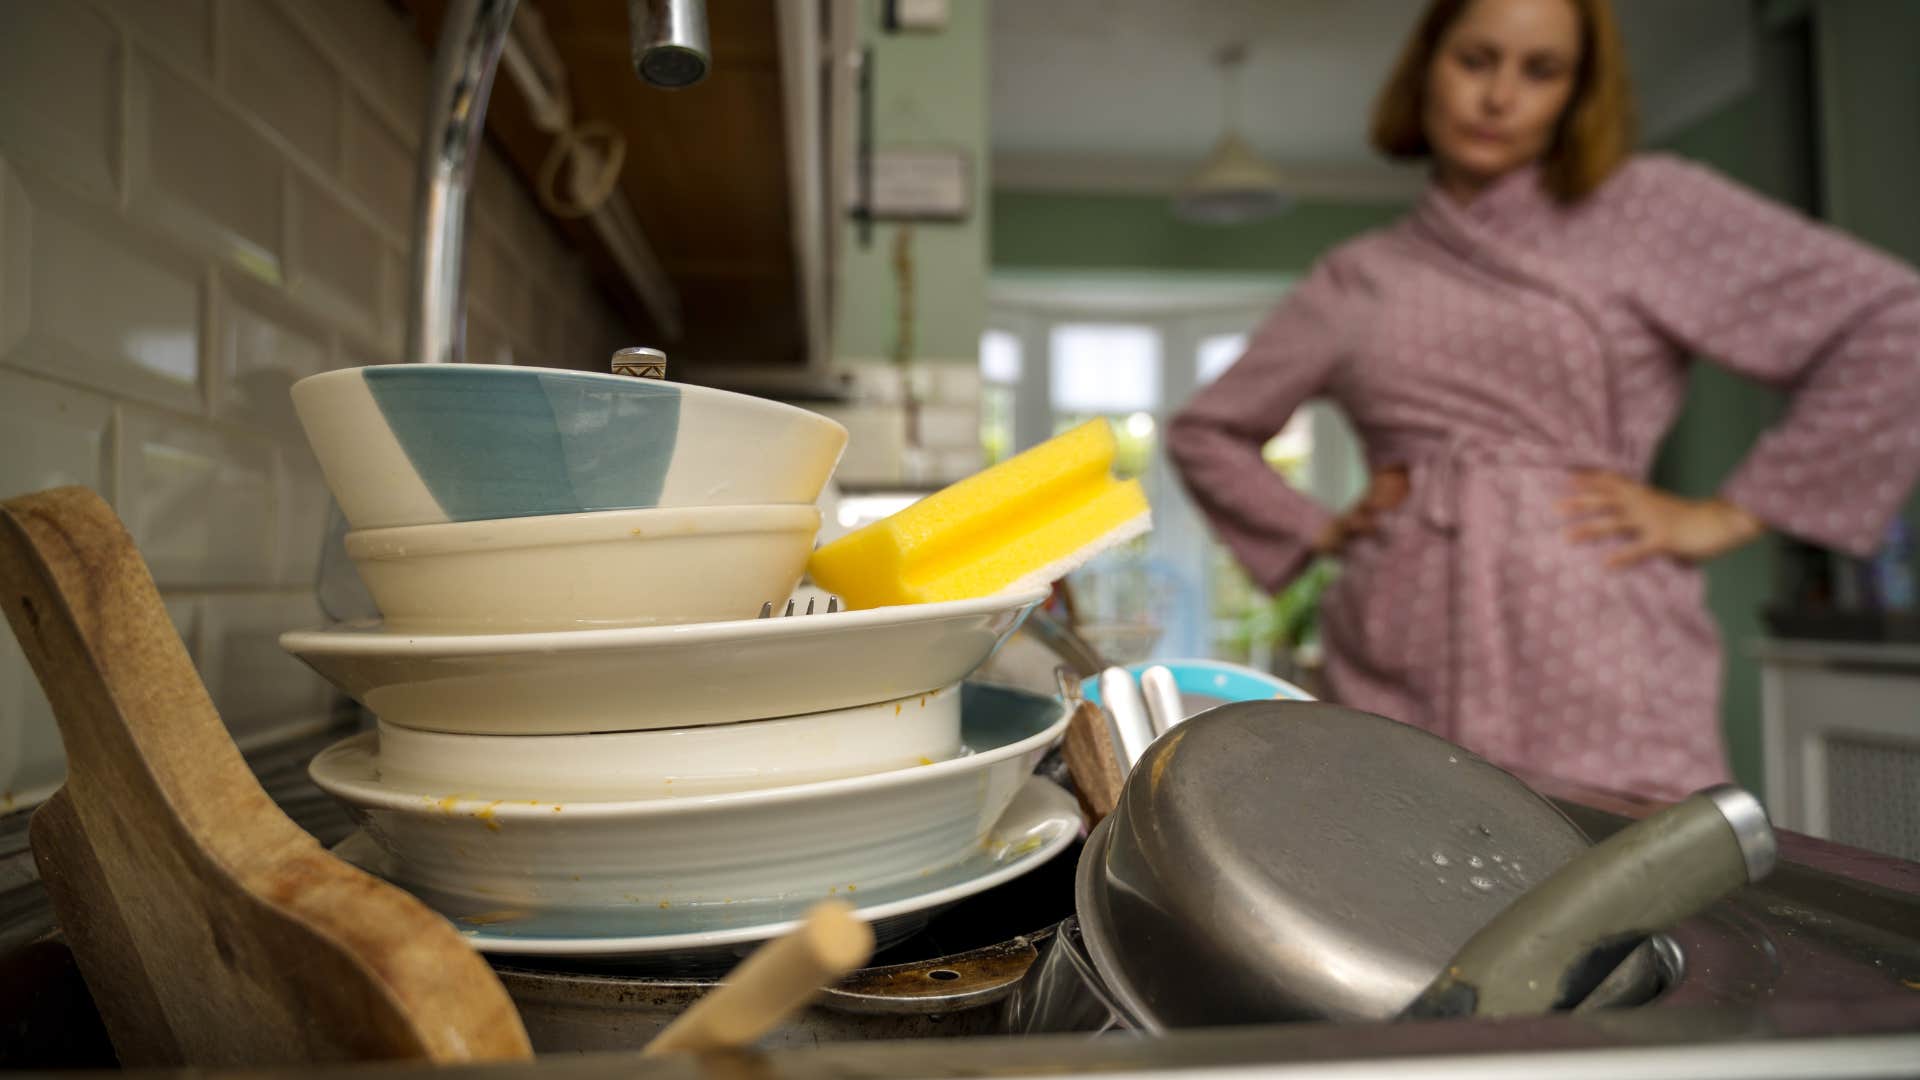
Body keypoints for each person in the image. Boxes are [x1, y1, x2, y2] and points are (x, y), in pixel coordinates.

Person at [1166, 0, 1920, 798]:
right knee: (1402, 886)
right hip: (1399, 653)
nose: (1499, 98)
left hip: (1602, 649)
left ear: (1576, 93)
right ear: (1427, 65)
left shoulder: (1648, 210)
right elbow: (1207, 432)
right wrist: (1318, 526)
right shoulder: (1360, 275)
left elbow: (1893, 323)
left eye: (1541, 70)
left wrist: (1728, 514)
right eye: (1476, 59)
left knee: (1624, 894)